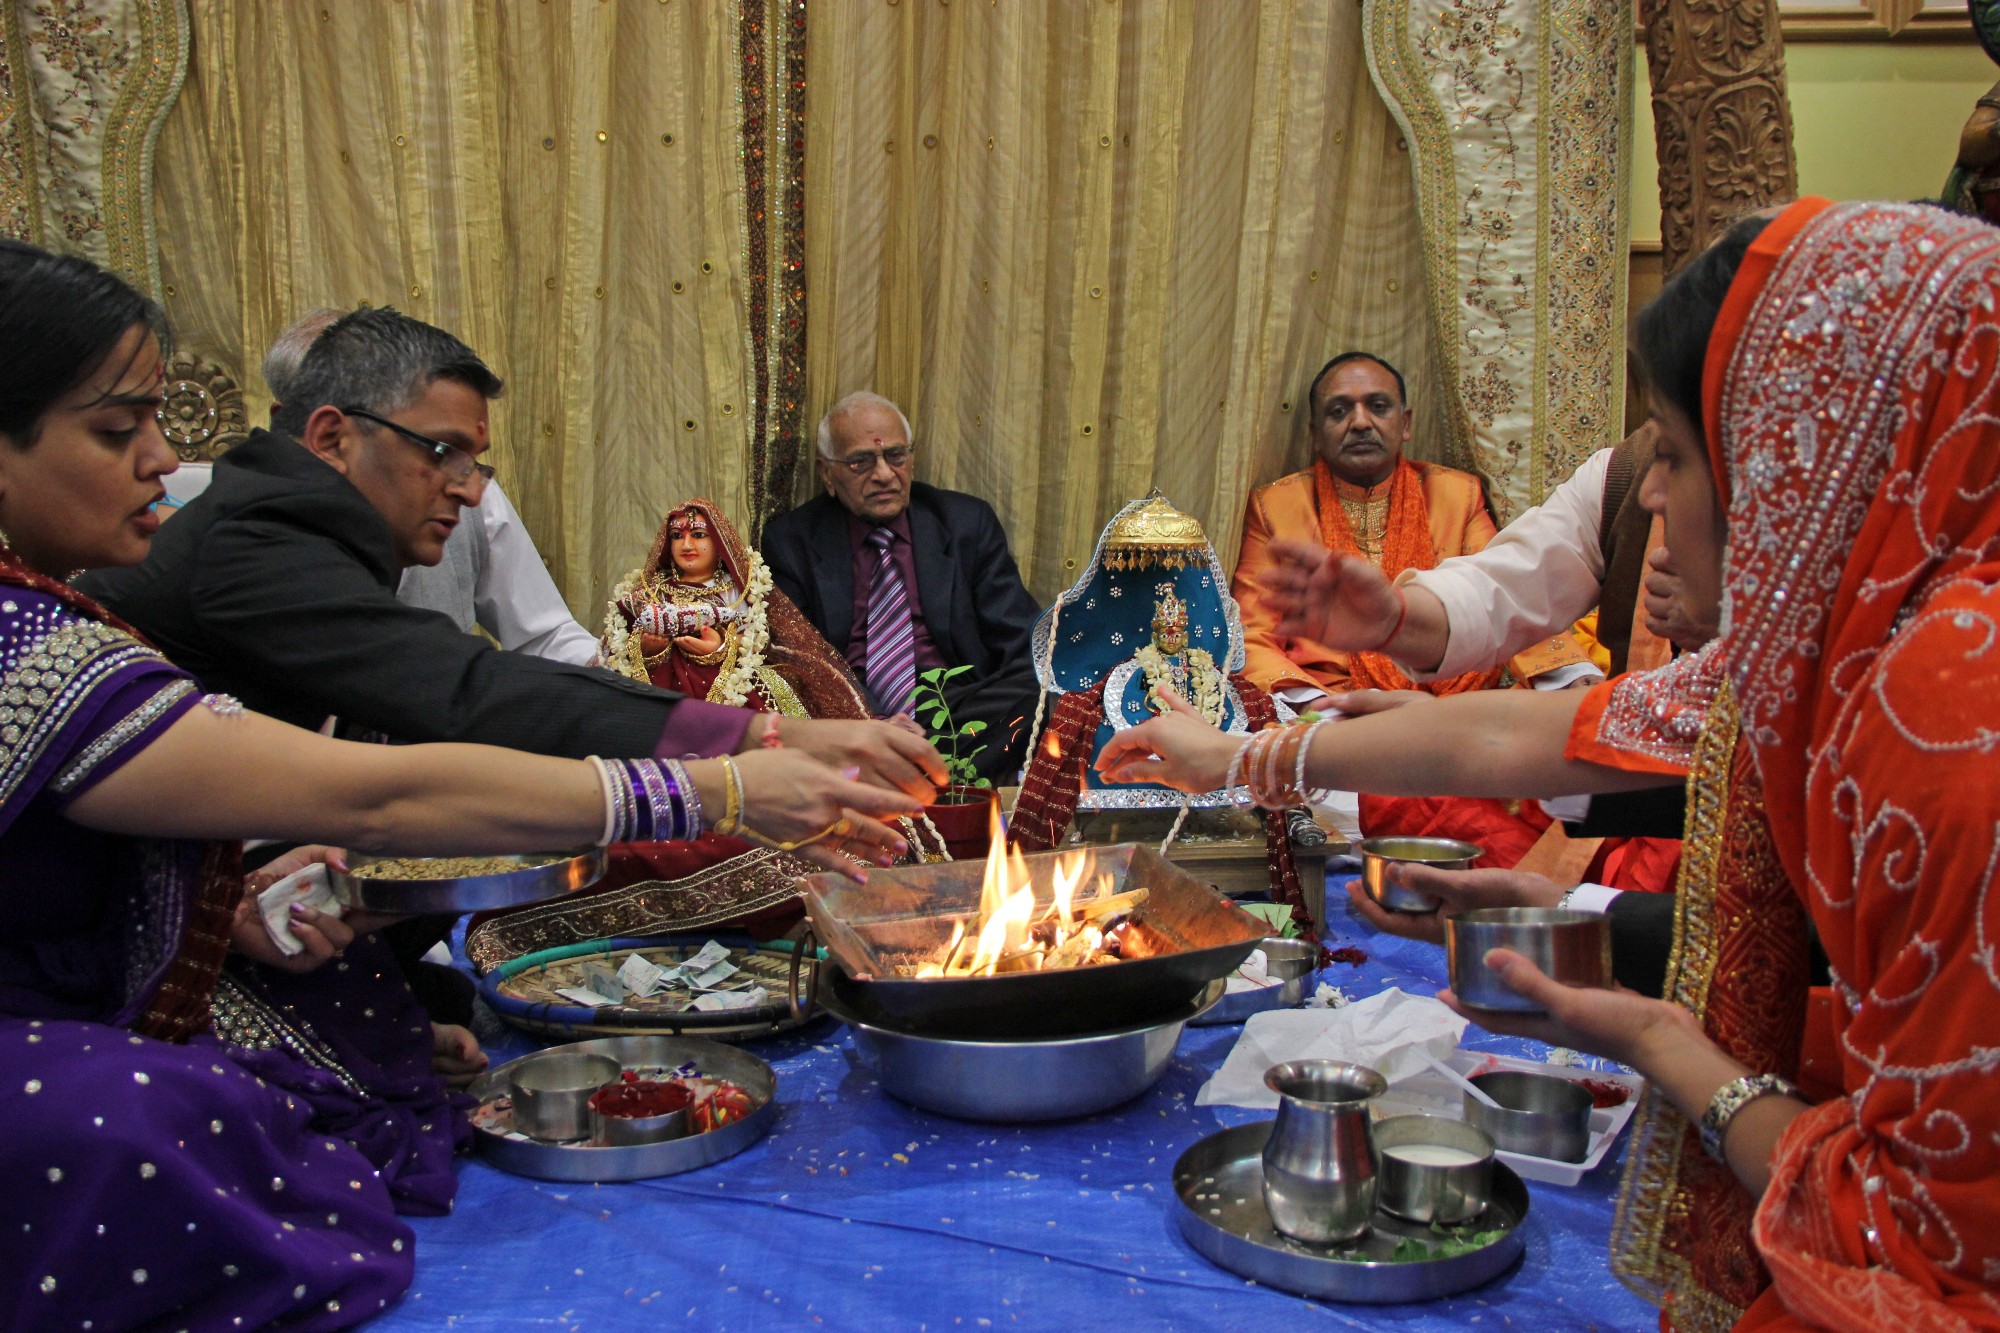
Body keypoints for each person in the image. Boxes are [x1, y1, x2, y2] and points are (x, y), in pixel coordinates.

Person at [1103, 199, 2000, 1328]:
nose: (1654, 498)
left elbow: (1913, 1233)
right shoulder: (1846, 641)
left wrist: (1667, 1049)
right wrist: (1566, 917)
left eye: (1677, 455)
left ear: (1797, 459)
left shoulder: (1944, 720)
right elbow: (1527, 721)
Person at [0, 241, 916, 1329]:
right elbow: (411, 750)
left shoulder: (96, 592)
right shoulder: (226, 551)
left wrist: (232, 891)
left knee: (385, 1019)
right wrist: (723, 780)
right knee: (172, 1121)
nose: (161, 458)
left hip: (157, 931)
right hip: (62, 997)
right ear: (332, 436)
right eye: (119, 430)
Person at [78, 309, 942, 798]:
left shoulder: (305, 520)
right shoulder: (260, 539)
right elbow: (464, 691)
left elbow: (527, 652)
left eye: (475, 461)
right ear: (331, 435)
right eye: (443, 453)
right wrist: (750, 751)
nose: (469, 490)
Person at [1231, 351, 1593, 706]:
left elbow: (1504, 594)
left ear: (1405, 423)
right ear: (1316, 434)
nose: (1360, 422)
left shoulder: (1457, 495)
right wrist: (1317, 705)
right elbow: (1252, 634)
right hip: (1338, 705)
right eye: (1339, 411)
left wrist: (1570, 675)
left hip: (1458, 704)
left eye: (1378, 407)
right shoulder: (1275, 507)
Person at [264, 308, 600, 666]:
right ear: (322, 434)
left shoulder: (463, 488)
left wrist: (625, 666)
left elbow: (542, 637)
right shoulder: (252, 552)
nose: (470, 492)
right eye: (438, 450)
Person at [760, 391, 1043, 781]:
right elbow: (803, 659)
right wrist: (874, 721)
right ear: (827, 474)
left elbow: (1024, 640)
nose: (883, 475)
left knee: (1040, 687)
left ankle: (906, 770)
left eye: (895, 456)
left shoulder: (965, 523)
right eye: (861, 461)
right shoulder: (792, 542)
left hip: (957, 707)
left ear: (911, 459)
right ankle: (933, 773)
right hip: (856, 713)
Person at [603, 498, 870, 719]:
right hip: (662, 682)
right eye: (677, 536)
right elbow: (626, 639)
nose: (687, 545)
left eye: (698, 535)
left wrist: (721, 647)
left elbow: (757, 641)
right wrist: (650, 649)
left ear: (719, 542)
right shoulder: (653, 589)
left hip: (729, 683)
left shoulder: (738, 588)